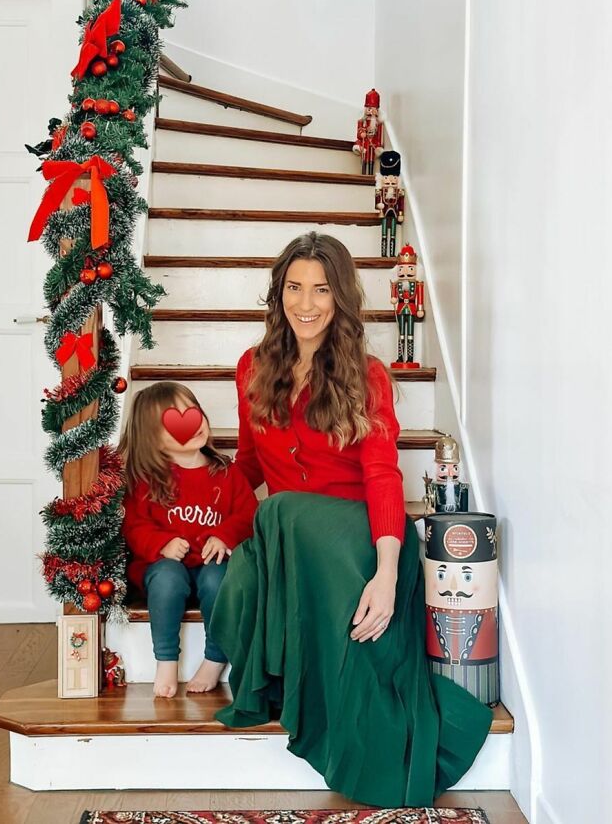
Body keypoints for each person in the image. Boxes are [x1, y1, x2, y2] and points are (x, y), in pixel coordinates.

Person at [209, 232, 493, 806]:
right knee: (250, 557)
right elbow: (246, 465)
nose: (306, 303)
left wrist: (387, 575)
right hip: (292, 541)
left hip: (358, 541)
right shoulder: (251, 368)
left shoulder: (367, 375)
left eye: (321, 289)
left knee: (283, 509)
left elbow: (383, 476)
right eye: (294, 288)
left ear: (340, 298)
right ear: (278, 294)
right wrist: (216, 531)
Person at [118, 382, 257, 698]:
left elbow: (249, 514)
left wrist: (224, 536)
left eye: (192, 413)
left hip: (210, 564)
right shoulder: (147, 480)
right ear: (153, 437)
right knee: (167, 579)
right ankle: (165, 658)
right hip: (167, 566)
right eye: (174, 419)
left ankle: (215, 658)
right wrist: (161, 544)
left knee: (220, 580)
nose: (191, 423)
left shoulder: (226, 472)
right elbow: (135, 525)